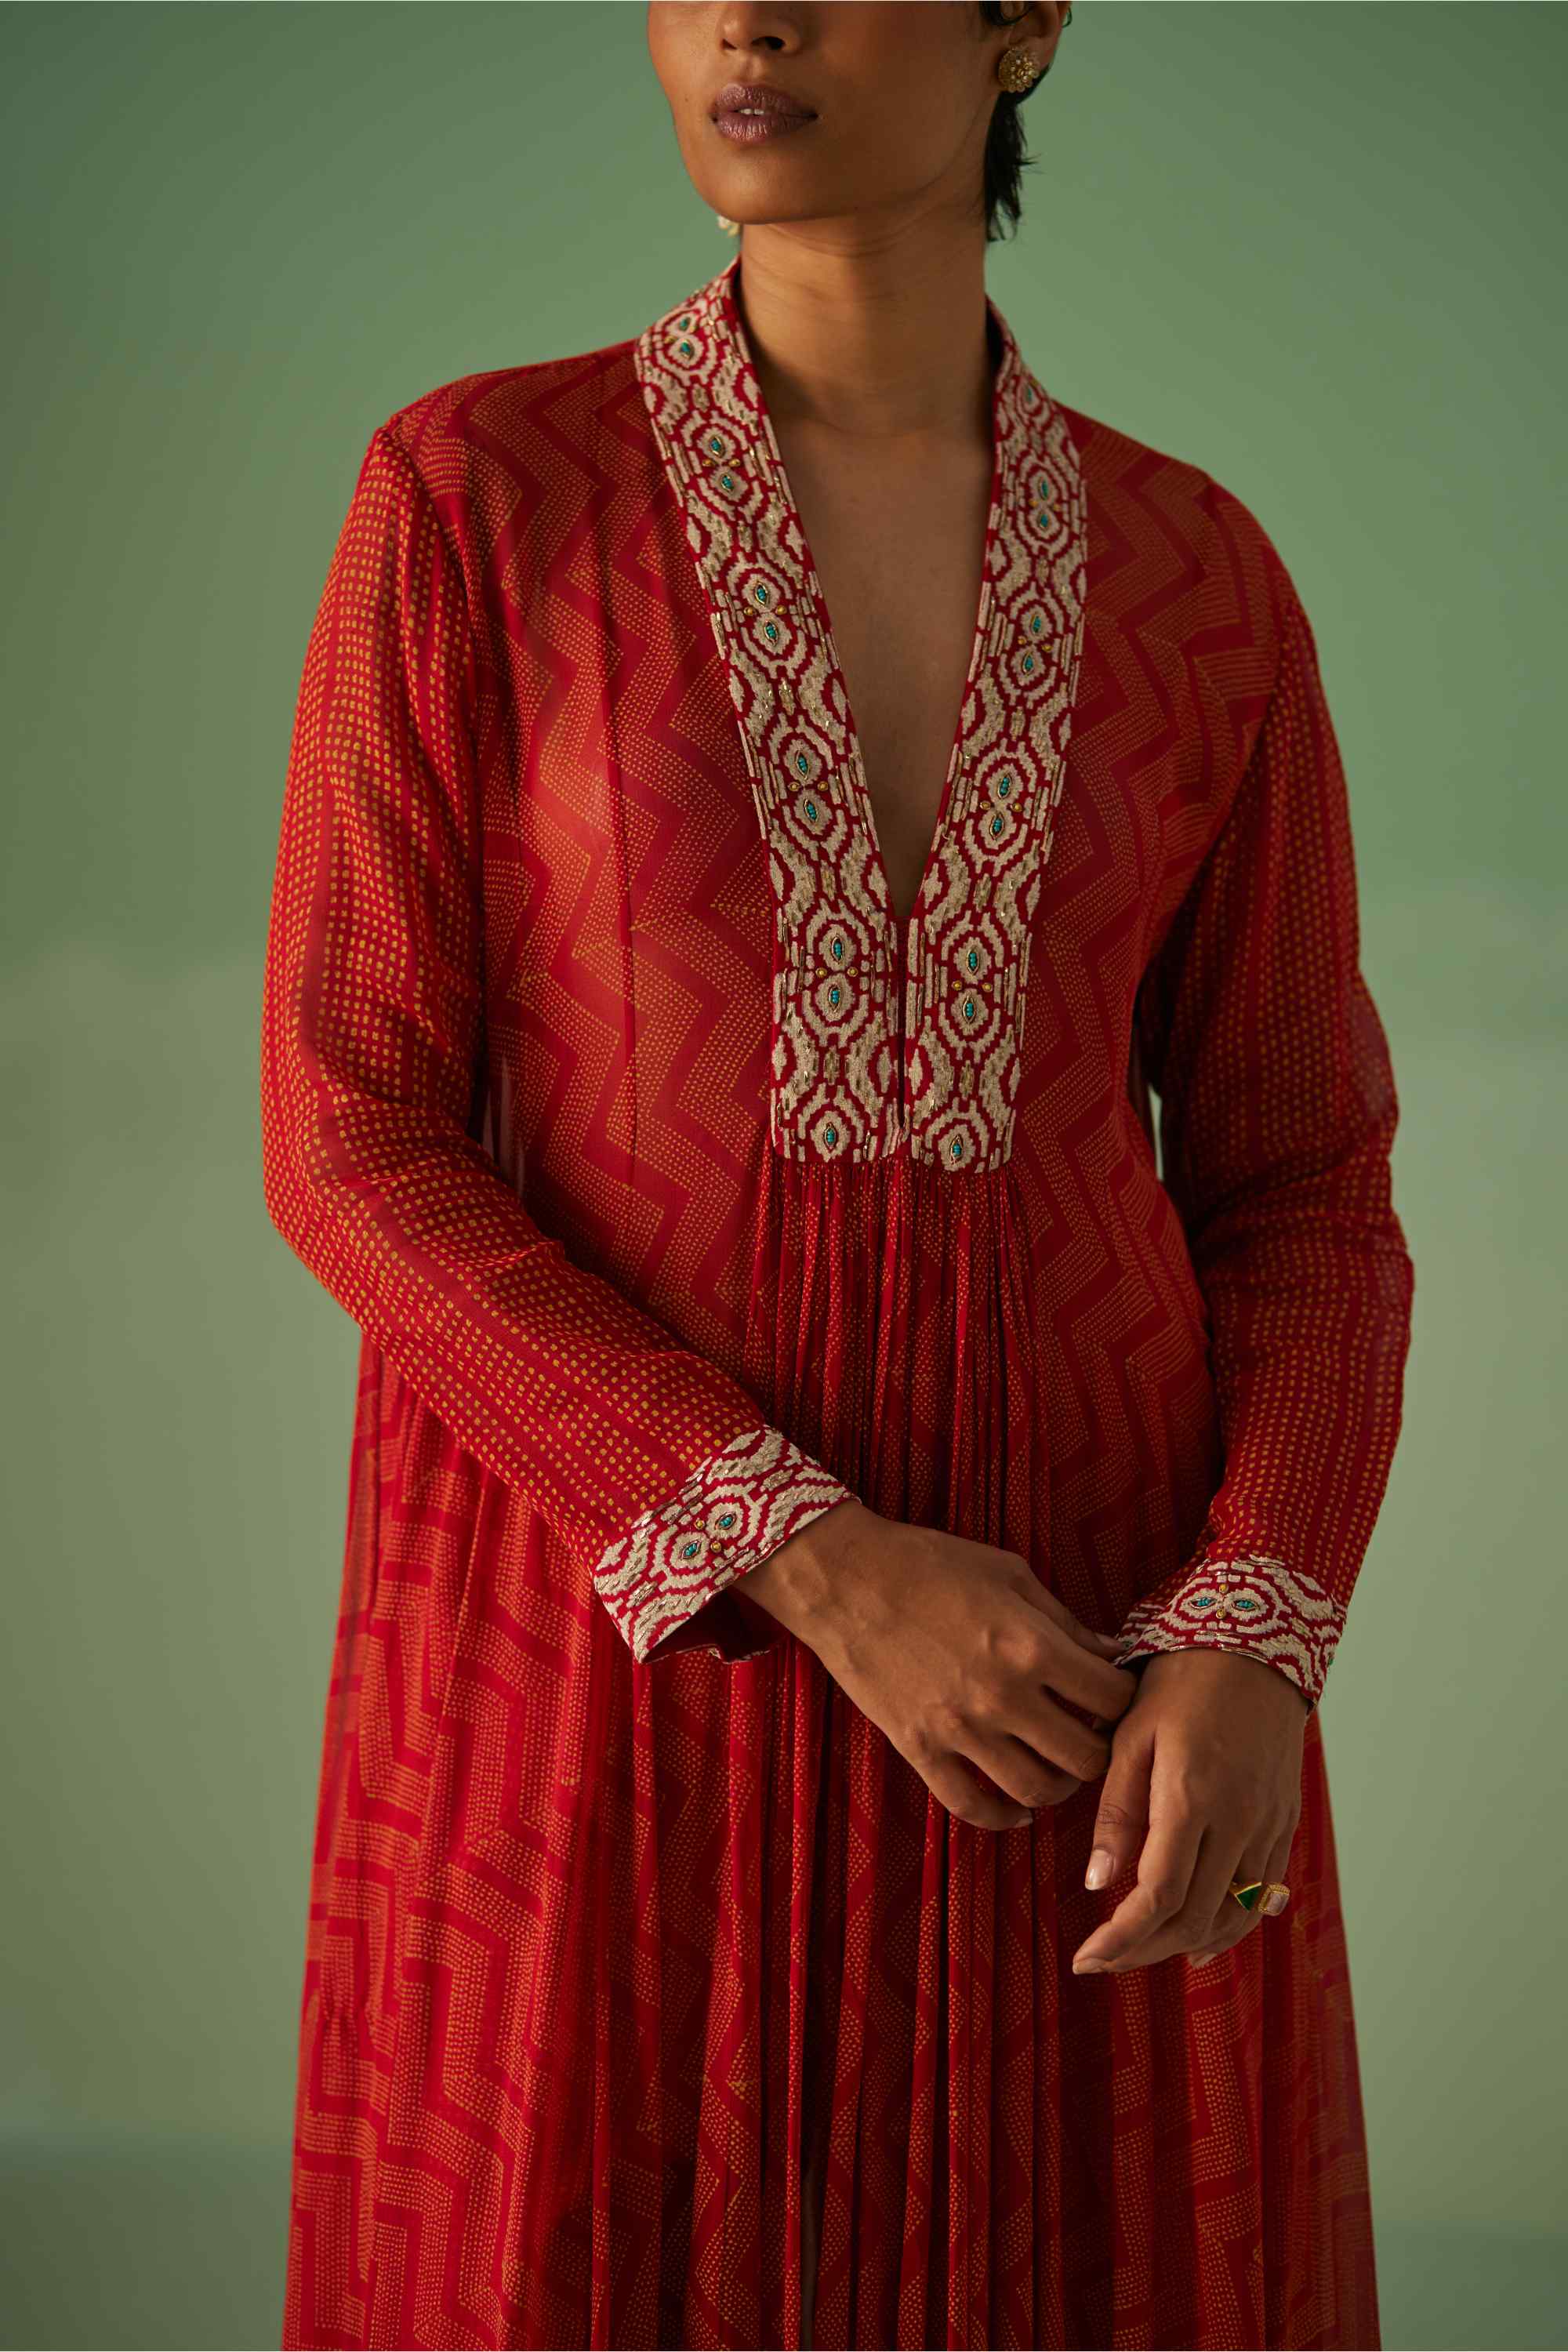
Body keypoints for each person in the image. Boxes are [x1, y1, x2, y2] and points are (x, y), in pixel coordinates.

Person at [260, 4, 1415, 2346]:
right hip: (613, 1674)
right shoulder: (479, 501)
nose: (743, 16)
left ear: (1023, 22)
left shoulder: (1202, 584)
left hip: (1084, 1705)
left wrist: (1258, 1629)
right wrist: (799, 1553)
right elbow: (348, 1125)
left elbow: (1301, 1182)